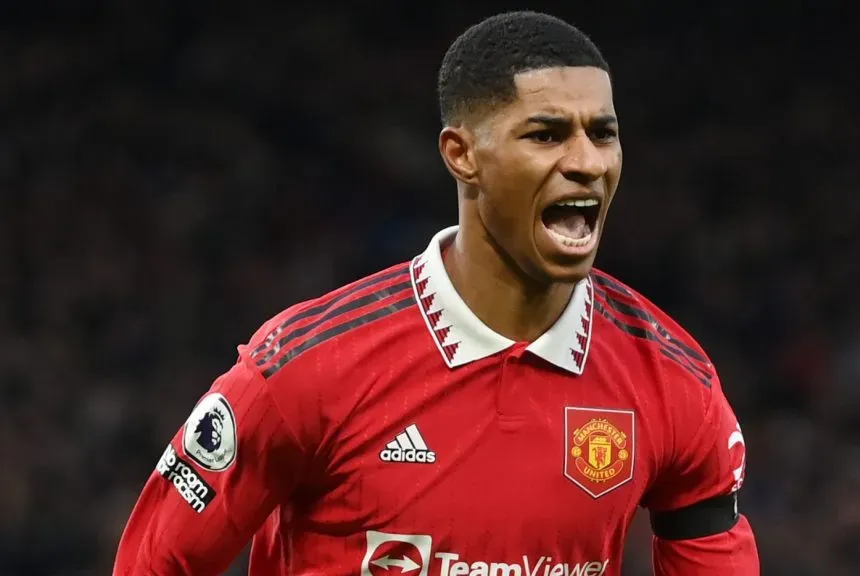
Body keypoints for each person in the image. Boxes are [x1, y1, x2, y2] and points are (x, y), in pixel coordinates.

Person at [113, 10, 759, 576]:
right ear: (462, 155)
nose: (588, 160)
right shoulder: (308, 369)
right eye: (547, 134)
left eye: (603, 132)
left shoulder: (674, 382)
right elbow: (156, 562)